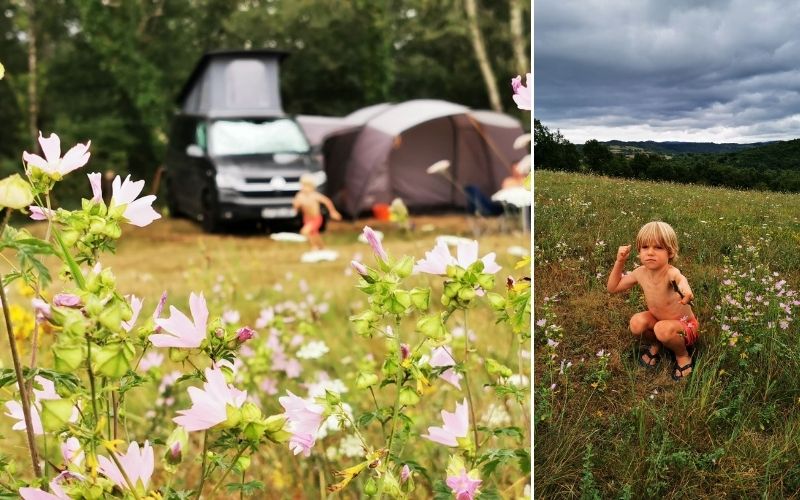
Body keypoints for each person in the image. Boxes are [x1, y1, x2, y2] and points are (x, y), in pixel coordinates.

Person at [606, 221, 697, 381]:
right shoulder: (640, 272)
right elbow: (613, 287)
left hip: (685, 327)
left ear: (670, 252)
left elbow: (680, 279)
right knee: (636, 323)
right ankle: (658, 343)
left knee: (663, 329)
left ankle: (682, 355)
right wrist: (620, 262)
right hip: (660, 323)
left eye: (658, 247)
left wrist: (686, 290)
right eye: (645, 247)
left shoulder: (670, 272)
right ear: (639, 251)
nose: (650, 252)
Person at [292, 174, 342, 250]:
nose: (305, 188)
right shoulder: (300, 196)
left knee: (305, 232)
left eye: (307, 186)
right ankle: (322, 247)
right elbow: (295, 205)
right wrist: (296, 206)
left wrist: (333, 212)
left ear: (312, 187)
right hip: (307, 219)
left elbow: (327, 201)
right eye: (303, 186)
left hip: (316, 218)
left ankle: (314, 247)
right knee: (314, 234)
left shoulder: (315, 195)